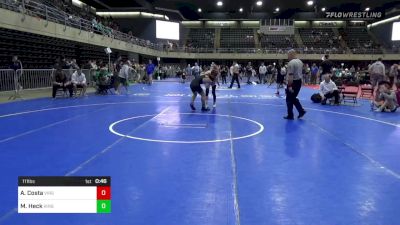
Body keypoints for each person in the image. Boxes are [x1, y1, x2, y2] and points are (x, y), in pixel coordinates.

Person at [284, 49, 306, 120]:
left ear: (291, 54)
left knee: (288, 99)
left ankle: (290, 115)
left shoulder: (291, 63)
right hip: (298, 82)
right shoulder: (300, 62)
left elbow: (291, 75)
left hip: (293, 82)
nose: (287, 57)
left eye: (288, 55)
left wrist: (290, 86)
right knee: (293, 98)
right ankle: (301, 111)